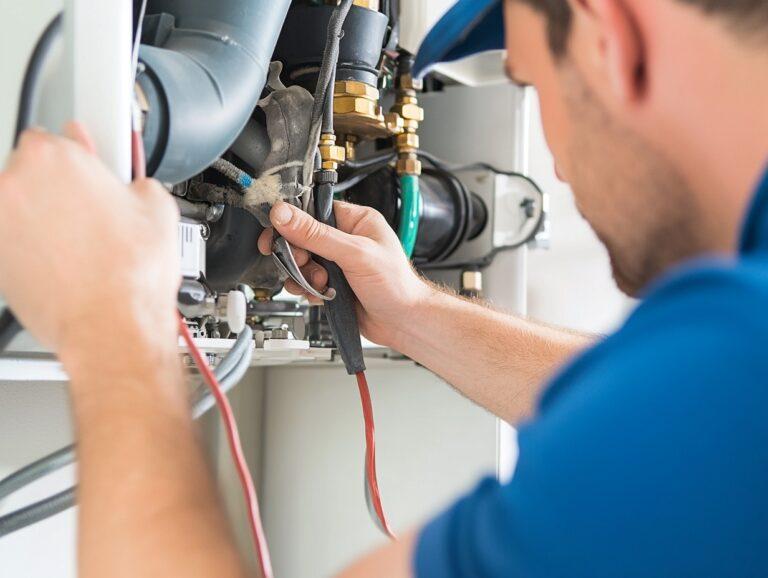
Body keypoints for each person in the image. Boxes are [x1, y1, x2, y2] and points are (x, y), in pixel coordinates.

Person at [1, 0, 767, 575]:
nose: (556, 160)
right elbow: (650, 406)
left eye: (535, 85)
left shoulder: (726, 380)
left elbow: (679, 411)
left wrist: (111, 332)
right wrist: (414, 315)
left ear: (613, 40)